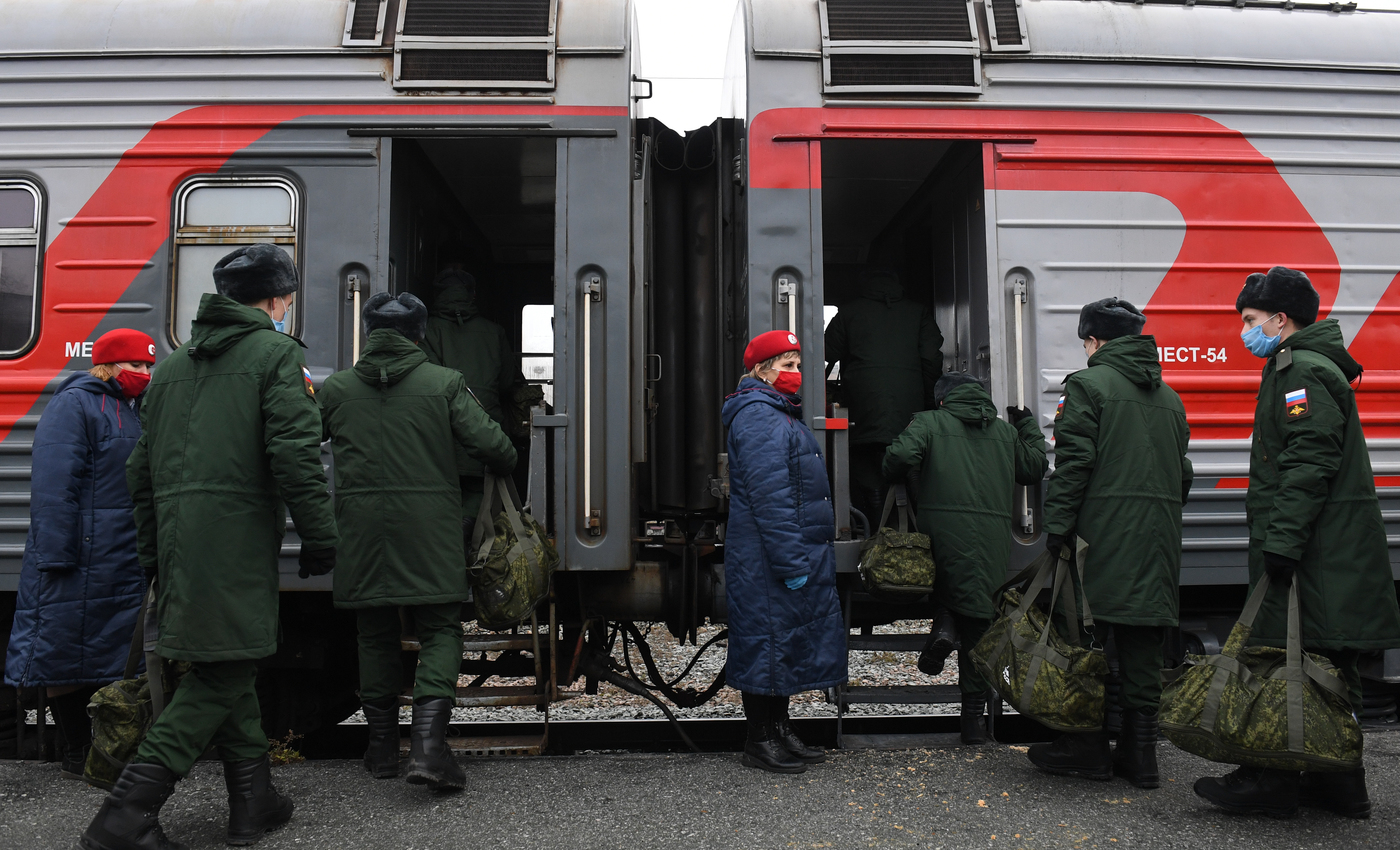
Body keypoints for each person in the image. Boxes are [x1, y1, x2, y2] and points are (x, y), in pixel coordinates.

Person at [80, 244, 339, 850]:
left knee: (230, 663)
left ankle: (255, 803)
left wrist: (154, 553)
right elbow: (295, 457)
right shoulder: (276, 356)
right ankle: (125, 815)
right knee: (220, 678)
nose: (287, 309)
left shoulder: (169, 369)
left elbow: (138, 474)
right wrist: (321, 537)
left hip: (179, 545)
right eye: (288, 299)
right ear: (275, 300)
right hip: (236, 541)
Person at [1194, 267, 1400, 819]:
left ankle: (1272, 780)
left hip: (1314, 551)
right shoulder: (1303, 366)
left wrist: (1281, 543)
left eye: (1251, 320)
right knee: (1328, 662)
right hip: (1327, 547)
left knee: (1284, 657)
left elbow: (1308, 463)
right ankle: (1339, 784)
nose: (1245, 331)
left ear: (1280, 320)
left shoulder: (1299, 371)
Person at [320, 292, 517, 791]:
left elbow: (298, 441)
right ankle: (429, 748)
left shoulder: (338, 389)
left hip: (360, 529)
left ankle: (381, 749)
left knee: (374, 634)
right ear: (419, 333)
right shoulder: (444, 383)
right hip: (430, 528)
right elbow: (496, 447)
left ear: (369, 332)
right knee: (440, 630)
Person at [1029, 298, 1192, 789]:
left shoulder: (1087, 386)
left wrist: (1057, 527)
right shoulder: (1170, 397)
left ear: (1095, 341)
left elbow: (1074, 464)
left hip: (1100, 536)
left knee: (1086, 638)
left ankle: (1087, 747)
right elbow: (1182, 473)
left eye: (1085, 342)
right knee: (1143, 641)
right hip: (1158, 536)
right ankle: (1142, 758)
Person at [5, 329, 156, 778]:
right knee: (64, 653)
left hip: (121, 554)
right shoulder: (75, 404)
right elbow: (54, 483)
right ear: (109, 364)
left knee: (113, 658)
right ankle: (75, 751)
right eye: (136, 365)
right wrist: (55, 553)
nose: (144, 374)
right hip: (77, 555)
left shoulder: (134, 408)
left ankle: (106, 754)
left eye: (148, 366)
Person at [881, 373, 1048, 744]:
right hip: (991, 536)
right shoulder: (1006, 434)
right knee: (979, 617)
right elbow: (1035, 466)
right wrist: (1027, 425)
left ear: (942, 401)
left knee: (946, 583)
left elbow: (901, 456)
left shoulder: (929, 421)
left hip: (939, 531)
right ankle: (973, 723)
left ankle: (943, 628)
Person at [721, 330, 847, 774]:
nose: (796, 375)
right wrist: (791, 561)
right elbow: (771, 499)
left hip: (775, 553)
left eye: (797, 366)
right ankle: (759, 739)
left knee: (780, 641)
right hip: (767, 556)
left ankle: (779, 730)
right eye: (788, 366)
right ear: (762, 370)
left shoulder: (774, 413)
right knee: (766, 644)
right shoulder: (759, 417)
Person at [823, 267, 944, 529]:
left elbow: (826, 350)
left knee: (867, 466)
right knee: (911, 467)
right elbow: (931, 359)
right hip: (909, 411)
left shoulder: (849, 312)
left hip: (863, 406)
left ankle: (876, 530)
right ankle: (917, 533)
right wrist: (926, 401)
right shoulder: (917, 312)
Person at [422, 268, 525, 525]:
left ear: (436, 295)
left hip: (440, 435)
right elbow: (505, 383)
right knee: (481, 501)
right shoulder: (494, 332)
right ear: (472, 295)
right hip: (486, 430)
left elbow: (425, 382)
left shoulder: (424, 332)